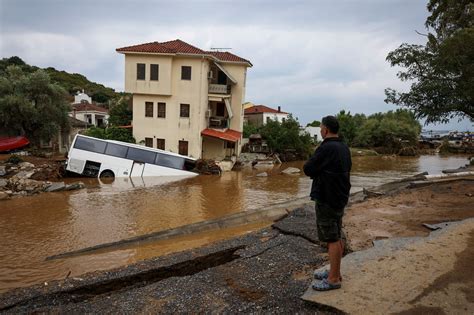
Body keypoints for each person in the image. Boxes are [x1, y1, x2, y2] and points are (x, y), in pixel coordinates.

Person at [303, 115, 351, 291]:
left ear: (326, 130)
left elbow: (308, 168)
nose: (320, 130)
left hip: (327, 198)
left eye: (321, 127)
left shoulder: (326, 148)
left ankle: (333, 279)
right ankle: (335, 272)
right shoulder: (343, 147)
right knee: (336, 235)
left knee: (332, 238)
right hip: (340, 196)